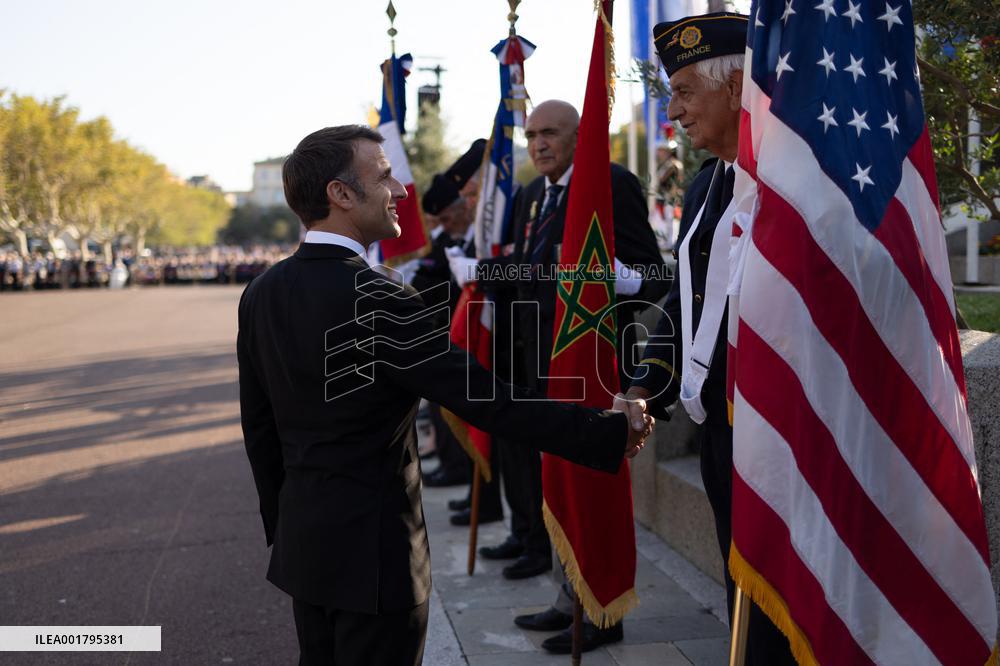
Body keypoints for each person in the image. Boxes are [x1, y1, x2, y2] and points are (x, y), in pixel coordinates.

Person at [237, 125, 652, 666]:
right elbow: (486, 399)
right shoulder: (380, 296)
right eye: (383, 176)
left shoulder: (260, 292)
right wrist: (607, 431)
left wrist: (288, 526)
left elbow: (259, 431)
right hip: (376, 555)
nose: (400, 191)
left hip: (305, 547)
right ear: (340, 194)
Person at [449, 100, 670, 652]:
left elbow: (653, 275)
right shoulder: (532, 194)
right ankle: (566, 596)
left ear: (578, 137)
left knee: (589, 487)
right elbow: (534, 268)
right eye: (531, 135)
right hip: (537, 360)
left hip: (589, 365)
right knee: (555, 485)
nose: (539, 144)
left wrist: (619, 280)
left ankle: (600, 612)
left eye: (550, 133)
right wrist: (485, 273)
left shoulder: (610, 183)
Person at [612, 13, 795, 664]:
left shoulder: (793, 180)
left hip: (786, 435)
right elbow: (685, 303)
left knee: (791, 607)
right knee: (741, 593)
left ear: (737, 85)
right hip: (722, 429)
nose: (674, 112)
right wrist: (643, 388)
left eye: (686, 92)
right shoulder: (705, 183)